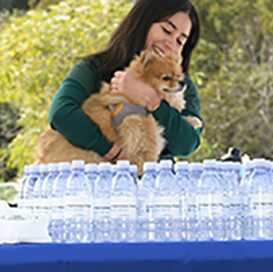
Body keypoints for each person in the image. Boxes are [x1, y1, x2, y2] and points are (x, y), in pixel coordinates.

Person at [45, 0, 202, 164]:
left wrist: (151, 100)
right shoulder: (95, 67)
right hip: (94, 176)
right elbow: (61, 114)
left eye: (180, 41)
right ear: (143, 22)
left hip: (156, 181)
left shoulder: (180, 84)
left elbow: (186, 145)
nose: (170, 43)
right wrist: (111, 151)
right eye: (166, 30)